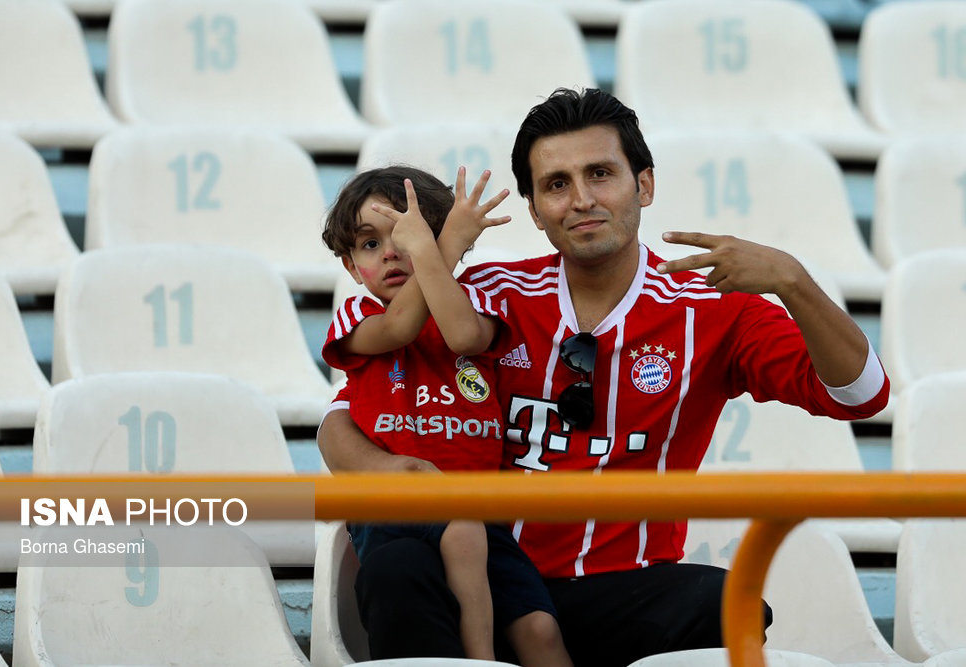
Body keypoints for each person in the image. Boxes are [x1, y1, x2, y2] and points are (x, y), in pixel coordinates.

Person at [318, 88, 890, 666]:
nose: (582, 200)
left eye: (601, 174)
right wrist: (393, 470)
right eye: (557, 184)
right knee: (396, 569)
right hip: (483, 579)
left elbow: (862, 394)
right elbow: (349, 411)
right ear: (535, 209)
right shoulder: (482, 294)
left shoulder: (713, 308)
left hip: (621, 591)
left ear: (643, 184)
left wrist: (793, 282)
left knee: (721, 603)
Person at [320, 165, 573, 666]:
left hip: (483, 520)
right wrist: (446, 243)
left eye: (406, 237)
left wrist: (439, 254)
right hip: (394, 513)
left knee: (540, 629)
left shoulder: (476, 304)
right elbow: (400, 327)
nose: (391, 252)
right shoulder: (358, 317)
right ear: (351, 268)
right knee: (452, 533)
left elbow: (462, 337)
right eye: (370, 245)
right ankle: (479, 662)